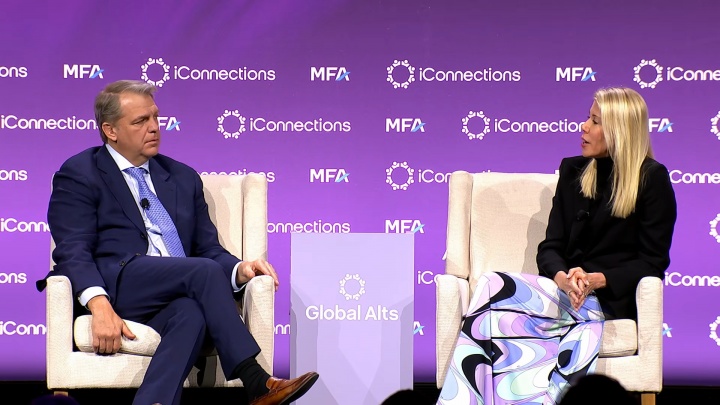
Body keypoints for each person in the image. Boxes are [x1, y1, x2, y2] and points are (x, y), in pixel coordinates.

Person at [38, 80, 318, 405]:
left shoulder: (182, 178)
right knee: (202, 272)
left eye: (155, 117)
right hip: (120, 284)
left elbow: (207, 250)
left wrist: (239, 270)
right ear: (110, 130)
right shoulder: (80, 173)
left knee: (191, 313)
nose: (154, 127)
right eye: (140, 121)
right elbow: (72, 248)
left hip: (177, 289)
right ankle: (256, 382)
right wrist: (99, 305)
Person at [437, 87, 676, 404]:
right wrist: (563, 278)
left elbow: (652, 261)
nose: (584, 127)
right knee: (492, 285)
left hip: (607, 300)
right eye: (588, 118)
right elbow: (550, 247)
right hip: (563, 293)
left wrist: (596, 280)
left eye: (595, 121)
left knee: (498, 307)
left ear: (619, 131)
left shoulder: (652, 179)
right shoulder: (573, 172)